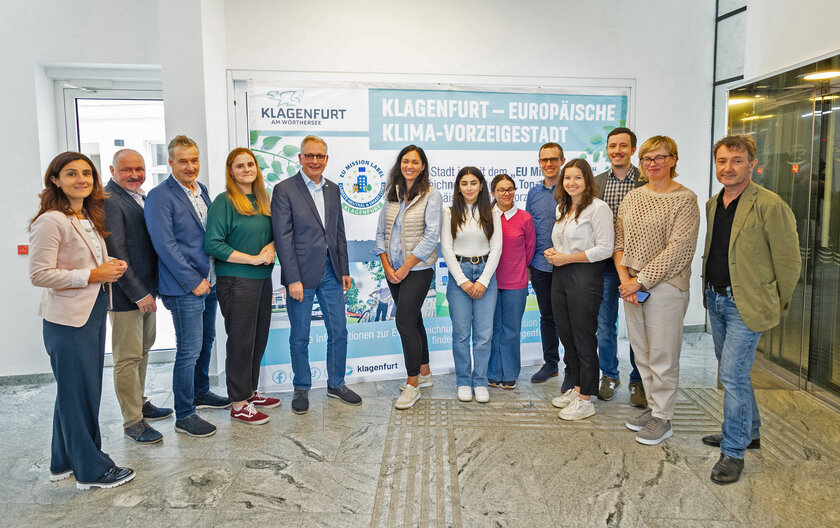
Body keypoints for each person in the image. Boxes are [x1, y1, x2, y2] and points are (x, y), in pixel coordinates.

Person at [29, 152, 135, 489]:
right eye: (72, 173)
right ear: (56, 179)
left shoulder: (83, 215)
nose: (81, 179)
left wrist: (108, 267)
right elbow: (40, 274)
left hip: (90, 311)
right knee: (80, 394)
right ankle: (91, 470)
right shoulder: (51, 220)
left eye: (87, 173)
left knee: (74, 392)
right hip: (68, 321)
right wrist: (93, 274)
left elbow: (85, 262)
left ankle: (63, 462)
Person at [702, 135, 800, 484]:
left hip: (747, 304)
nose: (728, 168)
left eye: (737, 160)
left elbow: (789, 262)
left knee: (731, 375)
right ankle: (750, 431)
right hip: (715, 299)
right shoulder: (715, 203)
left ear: (752, 164)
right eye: (722, 161)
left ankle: (733, 451)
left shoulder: (770, 205)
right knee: (735, 373)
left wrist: (773, 303)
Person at [145, 135, 230, 439]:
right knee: (188, 349)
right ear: (170, 162)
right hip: (184, 287)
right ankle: (185, 413)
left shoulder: (201, 190)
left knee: (206, 342)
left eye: (194, 160)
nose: (190, 166)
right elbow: (164, 245)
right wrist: (192, 281)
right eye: (183, 161)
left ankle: (200, 392)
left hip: (210, 281)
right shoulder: (159, 196)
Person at [616, 136, 700, 445]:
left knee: (663, 354)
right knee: (643, 353)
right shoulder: (633, 197)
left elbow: (678, 250)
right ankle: (653, 408)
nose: (653, 164)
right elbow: (619, 241)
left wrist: (640, 281)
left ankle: (664, 418)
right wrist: (626, 278)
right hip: (632, 286)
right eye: (648, 159)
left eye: (660, 158)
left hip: (665, 287)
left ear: (674, 160)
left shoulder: (685, 199)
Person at [271, 135, 362, 414]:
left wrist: (344, 269)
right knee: (300, 335)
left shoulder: (333, 189)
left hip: (332, 272)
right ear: (300, 158)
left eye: (319, 156)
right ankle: (301, 387)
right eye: (309, 156)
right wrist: (292, 278)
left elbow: (338, 233)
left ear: (326, 159)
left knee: (340, 331)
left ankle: (336, 384)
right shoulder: (284, 189)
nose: (314, 161)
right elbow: (283, 238)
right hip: (301, 276)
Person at [205, 147, 279, 425]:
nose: (246, 169)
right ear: (231, 171)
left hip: (262, 280)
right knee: (240, 340)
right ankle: (238, 402)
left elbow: (275, 234)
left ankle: (250, 391)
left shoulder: (263, 200)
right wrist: (253, 259)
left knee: (258, 338)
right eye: (240, 166)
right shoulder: (224, 202)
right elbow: (213, 244)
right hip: (236, 280)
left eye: (250, 164)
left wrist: (271, 246)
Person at [104, 149, 172, 445]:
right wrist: (139, 293)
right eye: (127, 170)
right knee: (127, 358)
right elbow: (116, 253)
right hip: (126, 296)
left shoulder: (138, 197)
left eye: (139, 169)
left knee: (143, 350)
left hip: (146, 291)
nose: (134, 175)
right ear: (112, 170)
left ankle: (141, 403)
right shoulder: (108, 201)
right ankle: (133, 421)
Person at [545, 160, 614, 420]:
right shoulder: (563, 207)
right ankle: (575, 387)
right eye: (567, 178)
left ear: (587, 180)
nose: (571, 183)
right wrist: (555, 253)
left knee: (584, 336)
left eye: (577, 178)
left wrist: (567, 258)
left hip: (585, 276)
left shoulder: (599, 208)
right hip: (560, 274)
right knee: (567, 334)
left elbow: (605, 249)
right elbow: (563, 243)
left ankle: (587, 398)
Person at [375, 145, 443, 409]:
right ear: (399, 164)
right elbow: (381, 233)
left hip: (417, 269)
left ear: (423, 166)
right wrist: (387, 267)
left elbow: (431, 237)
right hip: (393, 270)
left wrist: (405, 267)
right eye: (405, 161)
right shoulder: (392, 194)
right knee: (414, 320)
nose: (410, 166)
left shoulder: (431, 195)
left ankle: (412, 384)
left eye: (415, 161)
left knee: (404, 322)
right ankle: (424, 373)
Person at [593, 128, 647, 407]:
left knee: (638, 327)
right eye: (612, 146)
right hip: (603, 267)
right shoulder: (597, 181)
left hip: (637, 267)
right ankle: (609, 375)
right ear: (607, 150)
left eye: (623, 146)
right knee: (604, 326)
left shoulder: (647, 180)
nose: (617, 150)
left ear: (633, 149)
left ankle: (638, 380)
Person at [441, 167, 502, 403]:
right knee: (461, 334)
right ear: (458, 187)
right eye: (464, 183)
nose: (469, 188)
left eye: (473, 183)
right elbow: (446, 248)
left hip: (486, 273)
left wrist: (484, 280)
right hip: (460, 274)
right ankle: (464, 381)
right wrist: (463, 281)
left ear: (481, 185)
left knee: (484, 335)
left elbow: (496, 248)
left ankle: (480, 382)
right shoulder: (449, 213)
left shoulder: (491, 212)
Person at [526, 143, 569, 387]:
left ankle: (572, 368)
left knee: (570, 319)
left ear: (562, 160)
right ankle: (551, 364)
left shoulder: (572, 189)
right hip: (540, 266)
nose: (549, 164)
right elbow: (529, 231)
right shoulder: (533, 193)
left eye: (553, 159)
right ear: (539, 162)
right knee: (547, 317)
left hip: (569, 266)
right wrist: (528, 263)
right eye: (544, 160)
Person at [487, 174, 535, 390]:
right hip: (489, 282)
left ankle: (509, 375)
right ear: (493, 193)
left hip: (516, 282)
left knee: (511, 330)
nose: (506, 193)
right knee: (492, 329)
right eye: (501, 190)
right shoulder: (485, 216)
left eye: (510, 189)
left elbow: (530, 250)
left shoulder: (524, 218)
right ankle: (493, 373)